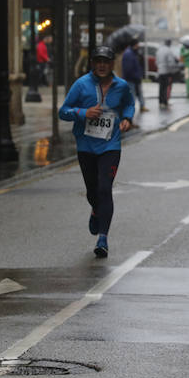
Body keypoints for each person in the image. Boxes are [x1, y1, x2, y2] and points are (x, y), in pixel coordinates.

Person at [58, 46, 135, 258]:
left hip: (111, 146)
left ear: (112, 64)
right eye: (98, 61)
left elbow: (129, 104)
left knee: (104, 188)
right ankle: (95, 210)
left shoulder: (121, 86)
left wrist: (127, 118)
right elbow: (63, 112)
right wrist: (83, 113)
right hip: (86, 147)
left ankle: (103, 238)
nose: (102, 65)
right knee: (93, 191)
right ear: (93, 63)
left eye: (106, 61)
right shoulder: (81, 85)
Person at [121, 39, 148, 126]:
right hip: (131, 80)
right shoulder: (129, 54)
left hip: (134, 79)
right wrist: (135, 77)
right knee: (131, 101)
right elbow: (128, 69)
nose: (138, 46)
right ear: (134, 45)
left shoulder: (133, 53)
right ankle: (128, 121)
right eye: (137, 44)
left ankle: (129, 121)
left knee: (134, 98)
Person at [156, 39, 179, 108]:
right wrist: (174, 69)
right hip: (167, 72)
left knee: (161, 87)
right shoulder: (168, 51)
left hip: (160, 71)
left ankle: (160, 102)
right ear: (169, 44)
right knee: (166, 87)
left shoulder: (159, 50)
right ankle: (165, 102)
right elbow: (171, 63)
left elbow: (156, 62)